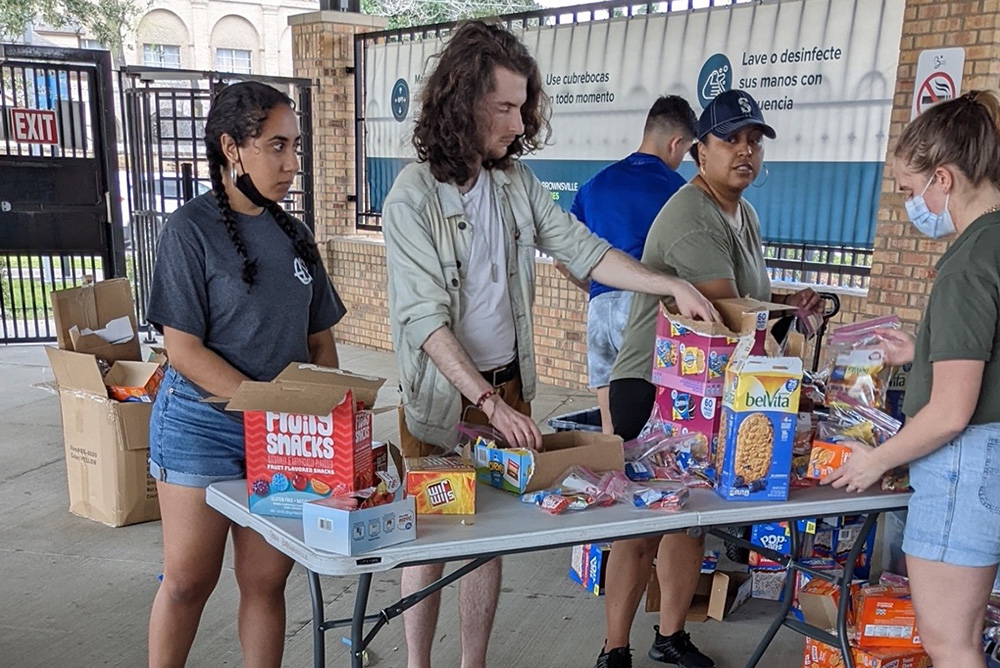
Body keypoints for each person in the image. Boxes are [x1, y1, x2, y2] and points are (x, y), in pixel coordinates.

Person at [380, 20, 720, 668]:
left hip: (505, 386)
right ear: (463, 102)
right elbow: (423, 319)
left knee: (488, 540)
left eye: (521, 106)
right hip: (442, 400)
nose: (517, 121)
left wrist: (666, 284)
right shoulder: (411, 197)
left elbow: (584, 250)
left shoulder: (514, 183)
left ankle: (470, 664)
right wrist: (486, 401)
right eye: (505, 107)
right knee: (428, 541)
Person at [594, 89, 823, 668]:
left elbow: (752, 300)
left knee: (693, 517)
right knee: (644, 522)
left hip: (705, 390)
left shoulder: (741, 212)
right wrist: (790, 368)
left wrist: (790, 304)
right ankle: (612, 650)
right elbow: (729, 316)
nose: (746, 152)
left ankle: (669, 637)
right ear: (700, 151)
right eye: (731, 140)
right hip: (651, 386)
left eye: (754, 141)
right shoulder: (693, 214)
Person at [144, 81, 346, 668]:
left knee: (265, 582)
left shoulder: (295, 234)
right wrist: (265, 402)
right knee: (188, 581)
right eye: (277, 146)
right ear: (233, 148)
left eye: (296, 147)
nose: (292, 164)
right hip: (201, 428)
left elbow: (318, 339)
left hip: (282, 436)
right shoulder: (189, 230)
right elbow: (182, 349)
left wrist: (328, 408)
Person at [826, 90, 1000, 668]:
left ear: (943, 179)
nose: (909, 203)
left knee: (951, 642)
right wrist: (921, 352)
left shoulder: (970, 263)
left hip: (966, 467)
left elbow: (952, 411)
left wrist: (877, 460)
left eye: (908, 189)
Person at [559, 95, 697, 434]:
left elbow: (566, 260)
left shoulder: (594, 186)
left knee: (611, 429)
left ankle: (609, 483)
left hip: (600, 311)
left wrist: (596, 288)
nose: (681, 160)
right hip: (645, 314)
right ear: (675, 142)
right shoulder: (679, 193)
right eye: (685, 151)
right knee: (651, 429)